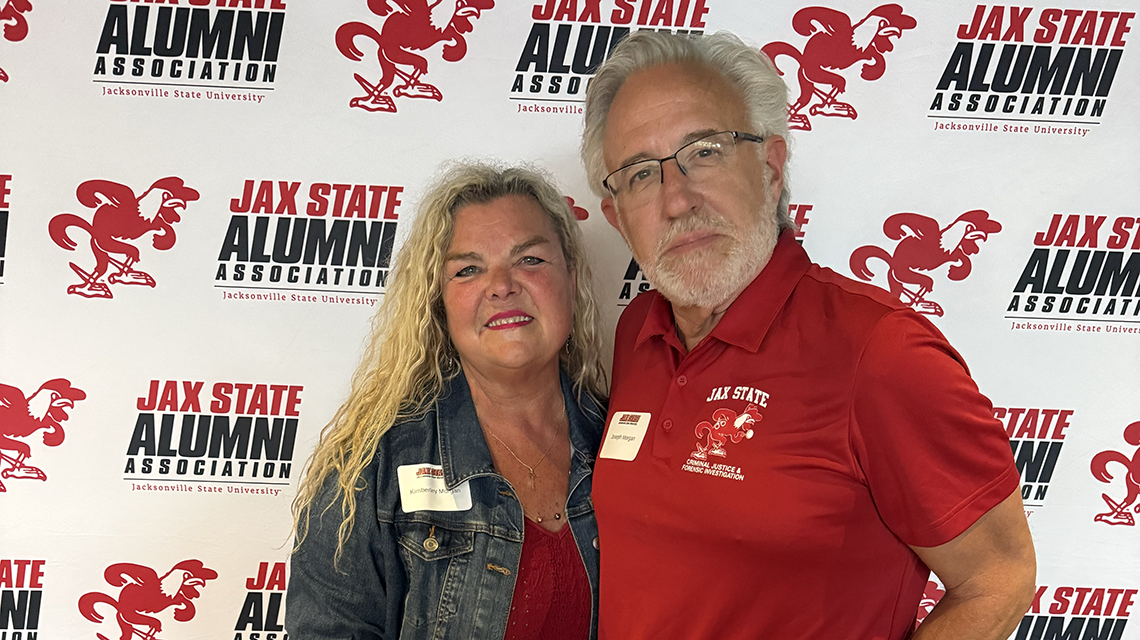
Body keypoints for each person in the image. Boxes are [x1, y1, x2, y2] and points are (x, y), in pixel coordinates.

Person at [580, 31, 1036, 640]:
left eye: (706, 151)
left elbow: (999, 577)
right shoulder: (638, 330)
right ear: (616, 217)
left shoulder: (879, 352)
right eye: (640, 174)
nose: (677, 199)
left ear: (770, 167)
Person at [286, 163, 609, 640]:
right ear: (439, 299)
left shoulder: (622, 441)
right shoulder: (369, 464)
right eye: (469, 269)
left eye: (531, 260)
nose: (501, 285)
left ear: (572, 276)